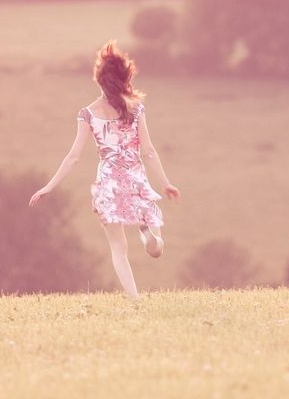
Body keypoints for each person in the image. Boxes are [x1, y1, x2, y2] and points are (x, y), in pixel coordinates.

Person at [29, 41, 180, 300]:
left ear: (99, 80)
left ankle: (135, 299)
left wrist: (48, 187)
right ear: (125, 78)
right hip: (134, 179)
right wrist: (166, 183)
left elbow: (74, 156)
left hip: (109, 184)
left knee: (117, 247)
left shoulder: (87, 114)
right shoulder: (136, 108)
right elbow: (149, 151)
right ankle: (148, 233)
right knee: (157, 251)